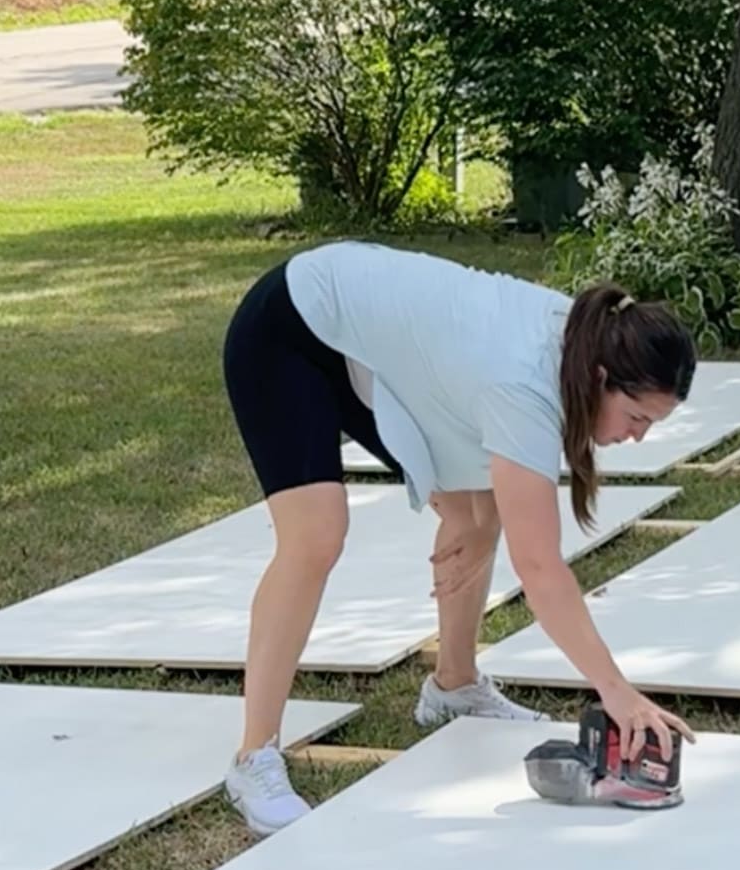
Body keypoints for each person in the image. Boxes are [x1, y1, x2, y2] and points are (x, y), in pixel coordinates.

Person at [221, 239, 697, 837]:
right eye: (637, 418)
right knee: (316, 534)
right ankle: (253, 757)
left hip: (361, 345)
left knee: (477, 514)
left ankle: (453, 685)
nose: (637, 437)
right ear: (602, 378)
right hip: (289, 328)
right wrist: (617, 693)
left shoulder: (584, 341)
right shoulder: (525, 384)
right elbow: (540, 567)